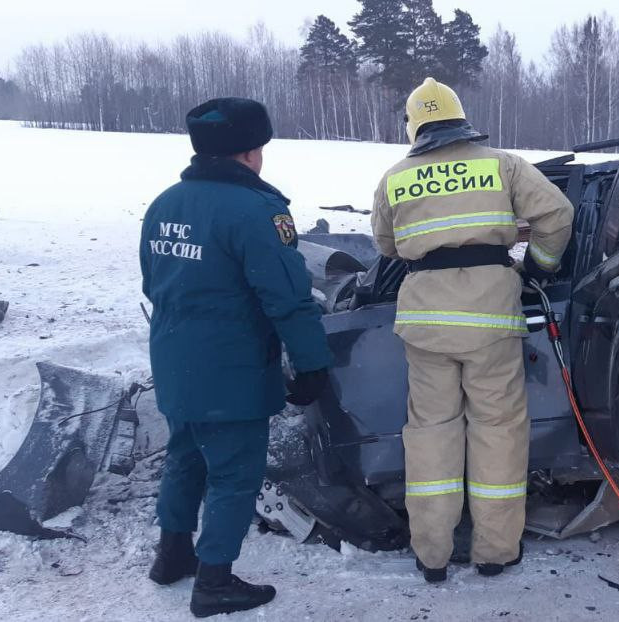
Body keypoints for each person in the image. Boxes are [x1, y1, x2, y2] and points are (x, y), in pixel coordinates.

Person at [369, 77, 574, 583]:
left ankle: (432, 556)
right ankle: (494, 553)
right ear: (461, 118)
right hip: (489, 321)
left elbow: (387, 246)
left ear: (414, 126)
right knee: (497, 432)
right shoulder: (501, 164)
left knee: (432, 434)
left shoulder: (395, 177)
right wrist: (539, 266)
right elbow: (557, 213)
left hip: (426, 324)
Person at [139, 97, 333, 617]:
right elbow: (288, 298)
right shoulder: (257, 211)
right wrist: (312, 362)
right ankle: (215, 581)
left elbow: (152, 281)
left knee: (185, 457)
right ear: (251, 152)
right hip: (231, 367)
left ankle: (172, 555)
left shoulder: (165, 203)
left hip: (174, 358)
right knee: (234, 474)